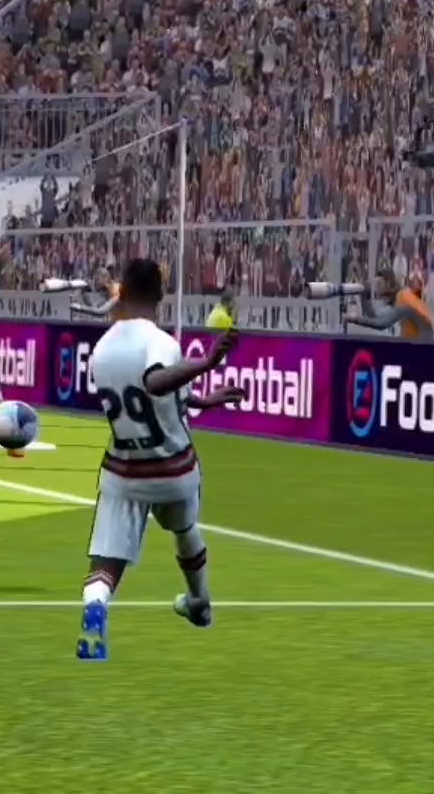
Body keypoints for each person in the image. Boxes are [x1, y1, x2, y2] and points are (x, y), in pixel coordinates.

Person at [77, 258, 249, 661]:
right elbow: (154, 382)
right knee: (185, 528)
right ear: (160, 294)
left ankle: (95, 605)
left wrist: (203, 400)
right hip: (174, 469)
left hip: (125, 470)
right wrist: (206, 364)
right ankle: (199, 602)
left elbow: (152, 395)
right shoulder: (161, 342)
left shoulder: (102, 349)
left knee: (107, 559)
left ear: (121, 292)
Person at [344, 267, 434, 338]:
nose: (376, 288)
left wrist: (355, 319)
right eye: (375, 283)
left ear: (388, 283)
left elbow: (381, 323)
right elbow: (376, 318)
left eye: (379, 283)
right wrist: (365, 298)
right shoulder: (400, 296)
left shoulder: (402, 298)